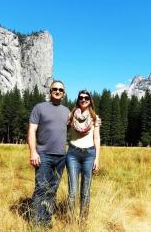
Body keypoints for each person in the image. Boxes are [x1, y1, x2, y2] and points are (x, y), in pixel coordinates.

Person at [28, 80, 70, 228]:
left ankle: (46, 222)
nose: (57, 91)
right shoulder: (39, 108)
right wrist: (33, 152)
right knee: (41, 188)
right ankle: (36, 224)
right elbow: (32, 131)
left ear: (63, 94)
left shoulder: (67, 111)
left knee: (52, 190)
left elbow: (81, 127)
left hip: (61, 157)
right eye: (55, 89)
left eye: (60, 90)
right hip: (43, 155)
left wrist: (96, 122)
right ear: (50, 91)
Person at [66, 90, 101, 222]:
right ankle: (70, 221)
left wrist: (97, 158)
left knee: (85, 192)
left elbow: (96, 138)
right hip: (73, 154)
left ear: (90, 100)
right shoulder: (71, 116)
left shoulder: (94, 117)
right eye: (81, 97)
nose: (84, 99)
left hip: (89, 155)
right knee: (72, 192)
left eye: (86, 97)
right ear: (78, 99)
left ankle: (82, 222)